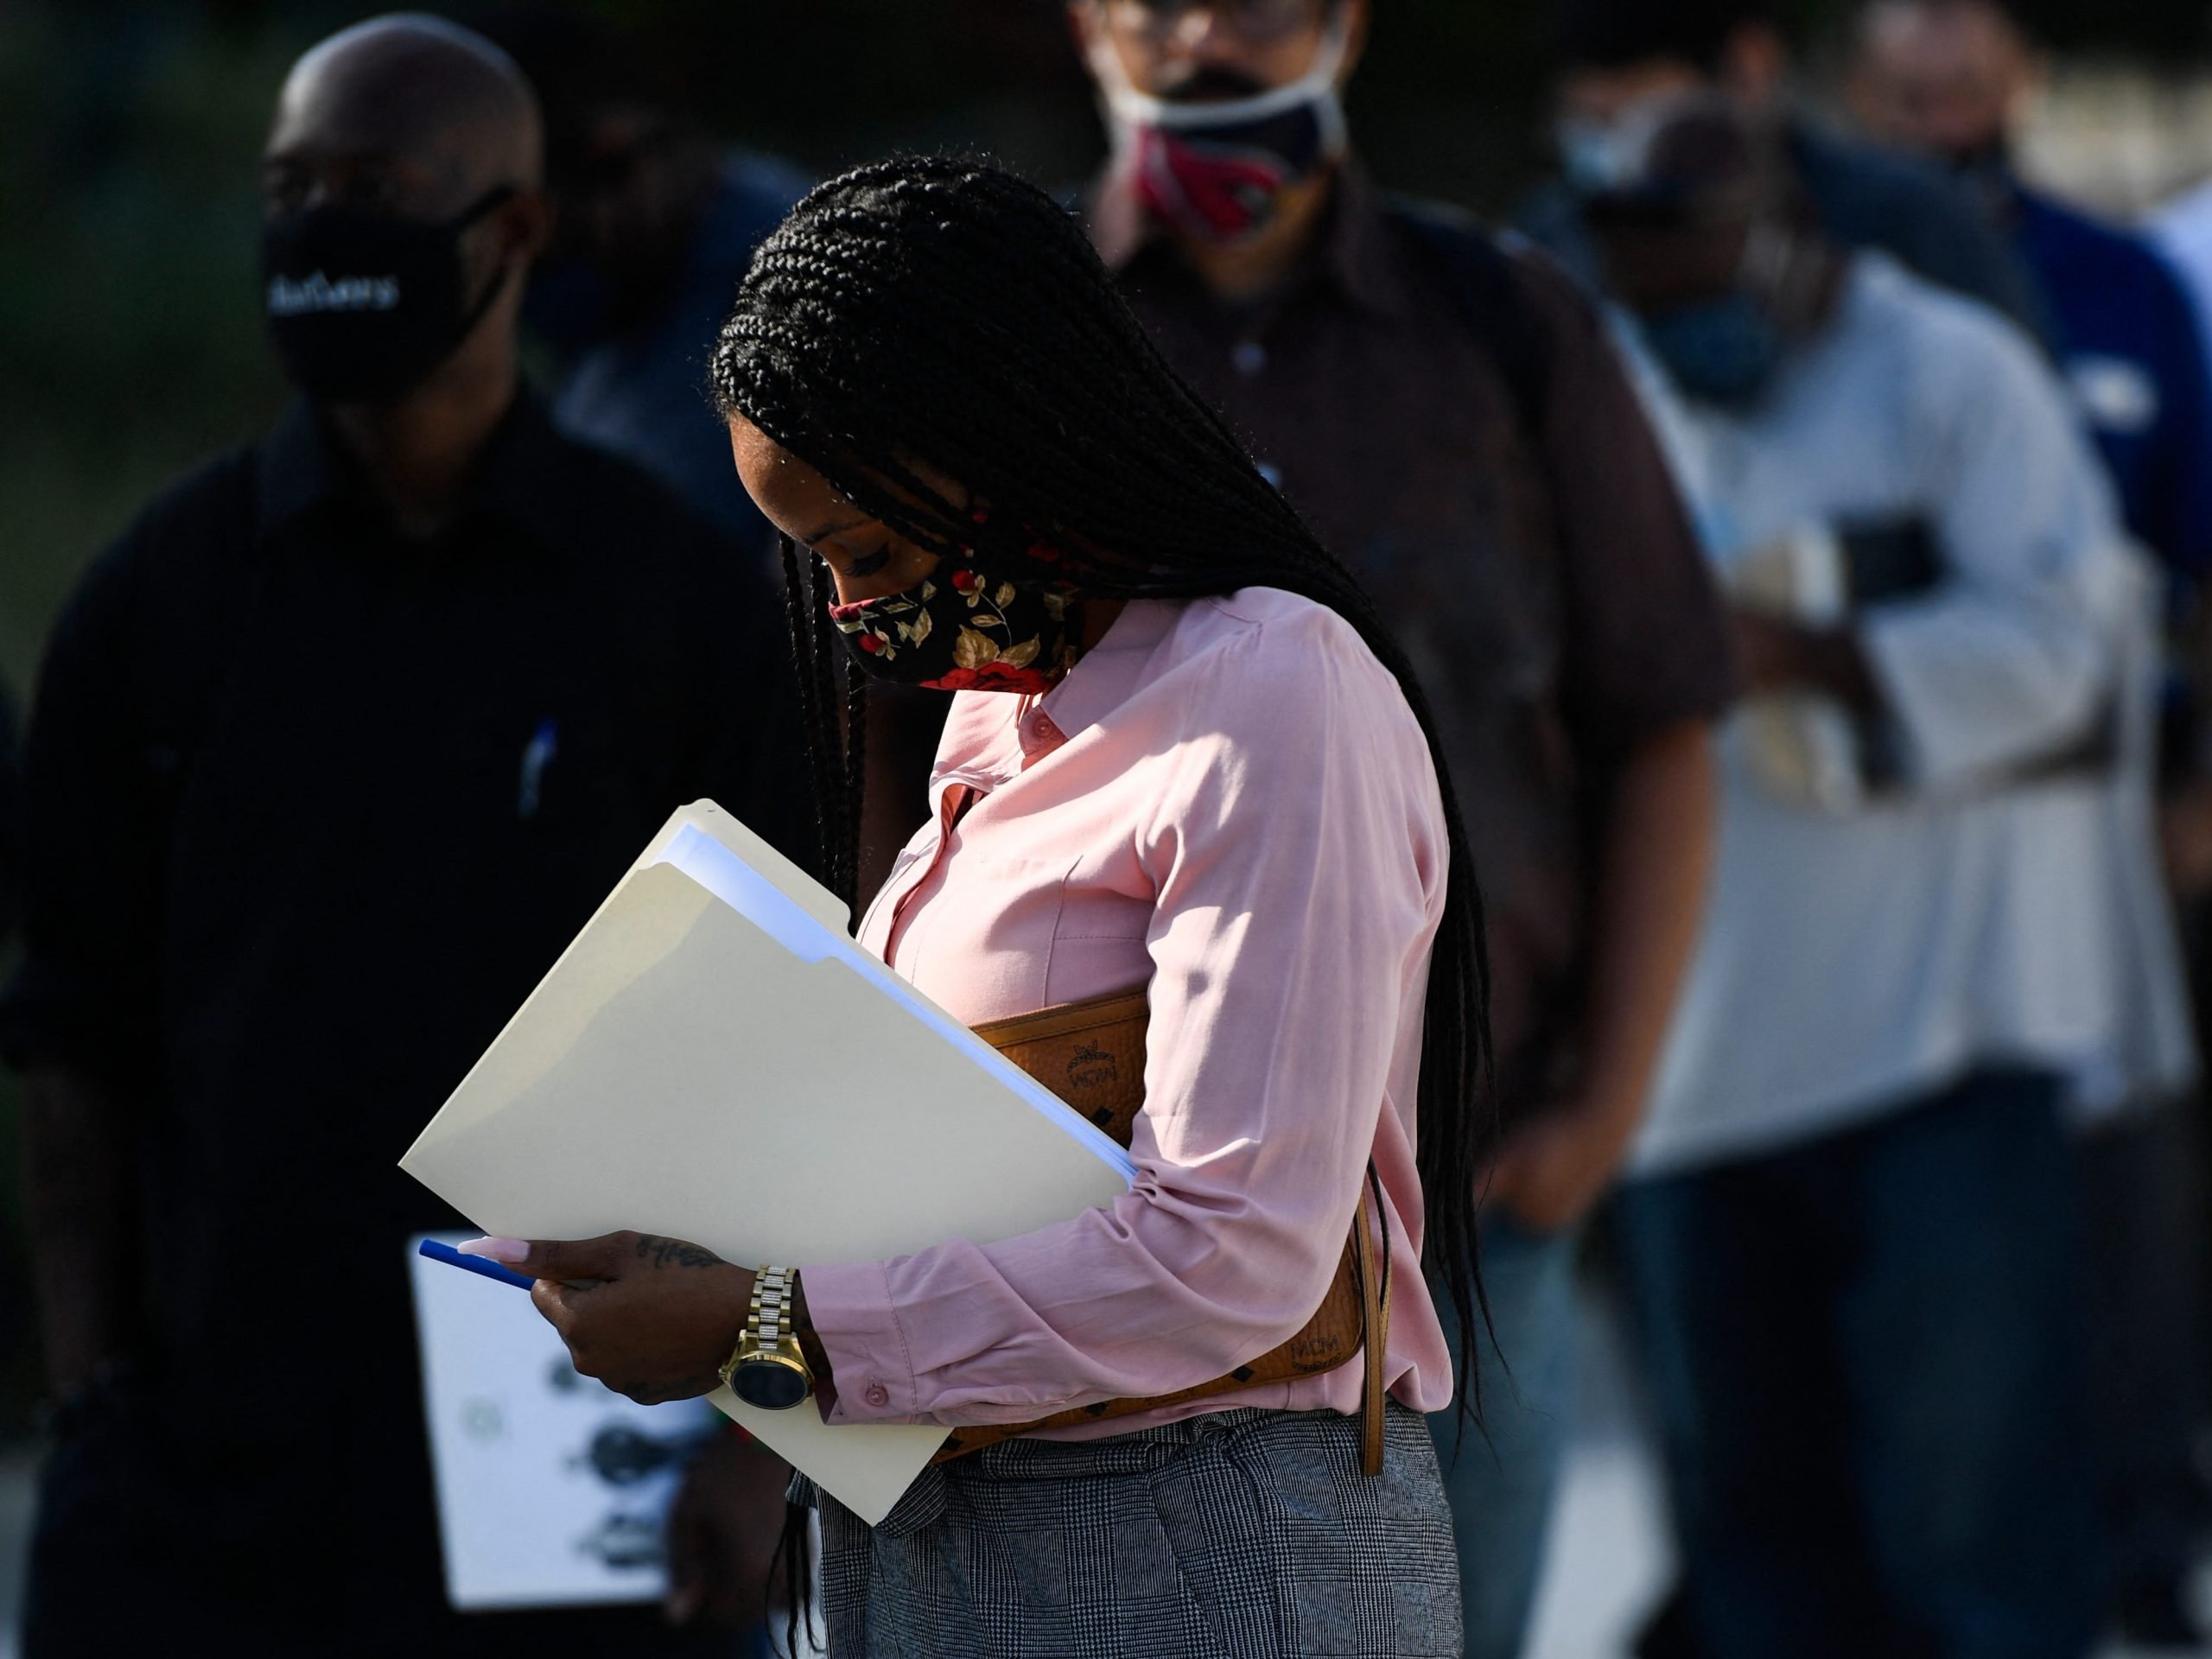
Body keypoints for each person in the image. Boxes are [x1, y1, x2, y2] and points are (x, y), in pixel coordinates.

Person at [466, 152, 1490, 1659]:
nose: (847, 617)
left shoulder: (1272, 693)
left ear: (1005, 439)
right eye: (813, 567)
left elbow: (1236, 1256)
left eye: (866, 554)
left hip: (1197, 1543)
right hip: (940, 1527)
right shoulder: (997, 719)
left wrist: (771, 1326)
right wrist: (692, 1262)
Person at [3, 16, 796, 1656]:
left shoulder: (674, 601)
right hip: (209, 1501)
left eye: (377, 184)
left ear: (514, 228)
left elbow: (791, 1040)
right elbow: (69, 1034)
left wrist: (755, 1442)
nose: (321, 224)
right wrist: (91, 1403)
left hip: (587, 1495)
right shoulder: (159, 601)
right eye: (292, 186)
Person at [1060, 3, 1731, 1651]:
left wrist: (1605, 1114)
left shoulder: (1508, 325)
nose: (1211, 34)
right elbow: (891, 737)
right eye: (1161, 1)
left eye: (1266, 0)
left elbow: (1660, 722)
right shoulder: (1020, 328)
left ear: (1348, 25)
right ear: (1090, 22)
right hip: (1082, 1212)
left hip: (1473, 1209)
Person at [1590, 99, 2164, 1659]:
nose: (1685, 320)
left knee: (1971, 1533)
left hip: (1941, 1050)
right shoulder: (1608, 387)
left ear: (1787, 236)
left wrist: (1810, 652)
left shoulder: (1946, 374)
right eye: (1650, 290)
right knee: (1758, 1543)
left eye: (1706, 281)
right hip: (1692, 1072)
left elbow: (2075, 654)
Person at [1847, 7, 2212, 1643]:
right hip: (1875, 829)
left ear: (2021, 67)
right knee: (1920, 1194)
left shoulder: (2122, 278)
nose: (1933, 75)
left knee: (2124, 1174)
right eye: (1899, 38)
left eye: (1962, 36)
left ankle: (2137, 1525)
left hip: (2108, 812)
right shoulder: (1811, 279)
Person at [1847, 0, 2212, 583]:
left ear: (2021, 77)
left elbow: (2194, 542)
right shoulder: (1819, 290)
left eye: (1966, 93)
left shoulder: (2131, 283)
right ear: (1861, 92)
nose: (1944, 129)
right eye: (1914, 100)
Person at [1529, 0, 2049, 344]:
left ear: (1749, 69)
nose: (1621, 159)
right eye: (1590, 123)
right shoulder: (1556, 242)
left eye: (1649, 127)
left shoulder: (1906, 218)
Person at [484, 7, 807, 549]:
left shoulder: (789, 294)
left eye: (531, 226)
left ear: (617, 154)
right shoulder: (632, 305)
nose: (518, 257)